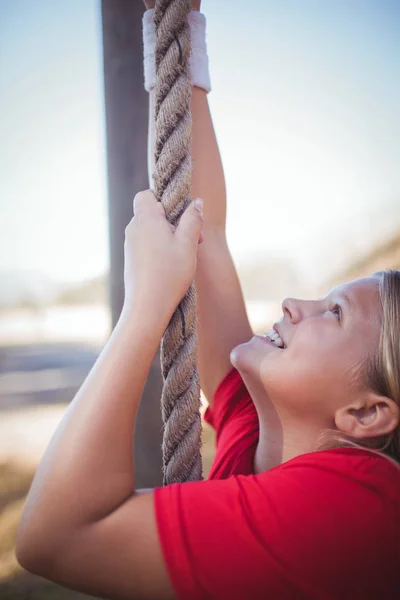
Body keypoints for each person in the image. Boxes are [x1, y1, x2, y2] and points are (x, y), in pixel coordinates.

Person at [16, 3, 400, 599]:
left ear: (367, 414)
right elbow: (207, 232)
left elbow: (55, 538)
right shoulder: (261, 429)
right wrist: (177, 32)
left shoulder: (354, 509)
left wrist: (144, 308)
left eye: (335, 313)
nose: (297, 303)